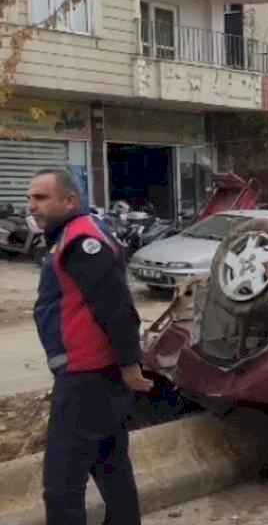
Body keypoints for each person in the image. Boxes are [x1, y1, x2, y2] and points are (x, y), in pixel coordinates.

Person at [27, 169, 152, 525]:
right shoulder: (72, 234)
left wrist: (130, 364)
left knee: (62, 485)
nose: (32, 205)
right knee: (111, 468)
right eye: (30, 197)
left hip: (86, 378)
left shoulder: (82, 240)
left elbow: (115, 305)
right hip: (95, 374)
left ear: (70, 201)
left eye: (41, 198)